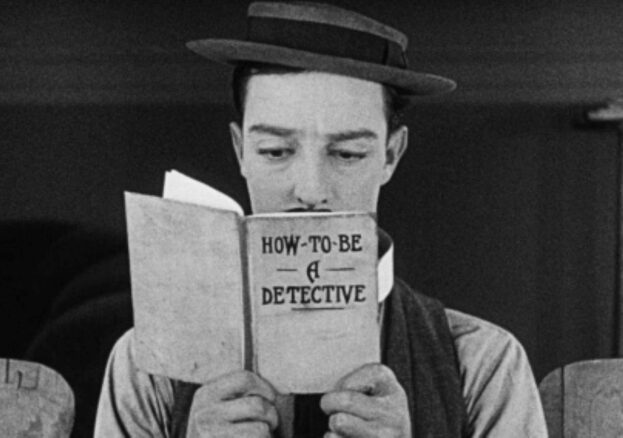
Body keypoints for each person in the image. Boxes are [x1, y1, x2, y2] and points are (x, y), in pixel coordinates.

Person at [94, 2, 547, 437]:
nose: (310, 190)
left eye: (347, 153)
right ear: (240, 151)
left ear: (390, 155)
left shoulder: (483, 363)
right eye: (275, 151)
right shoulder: (146, 366)